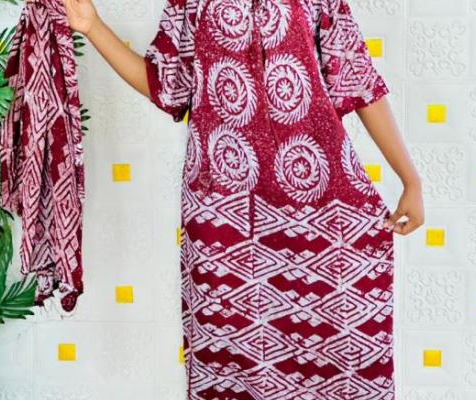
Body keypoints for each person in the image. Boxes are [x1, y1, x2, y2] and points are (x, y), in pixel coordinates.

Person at [63, 0, 424, 398]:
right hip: (224, 220)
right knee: (228, 362)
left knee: (344, 356)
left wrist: (410, 179)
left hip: (322, 210)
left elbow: (358, 81)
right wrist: (92, 26)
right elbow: (165, 85)